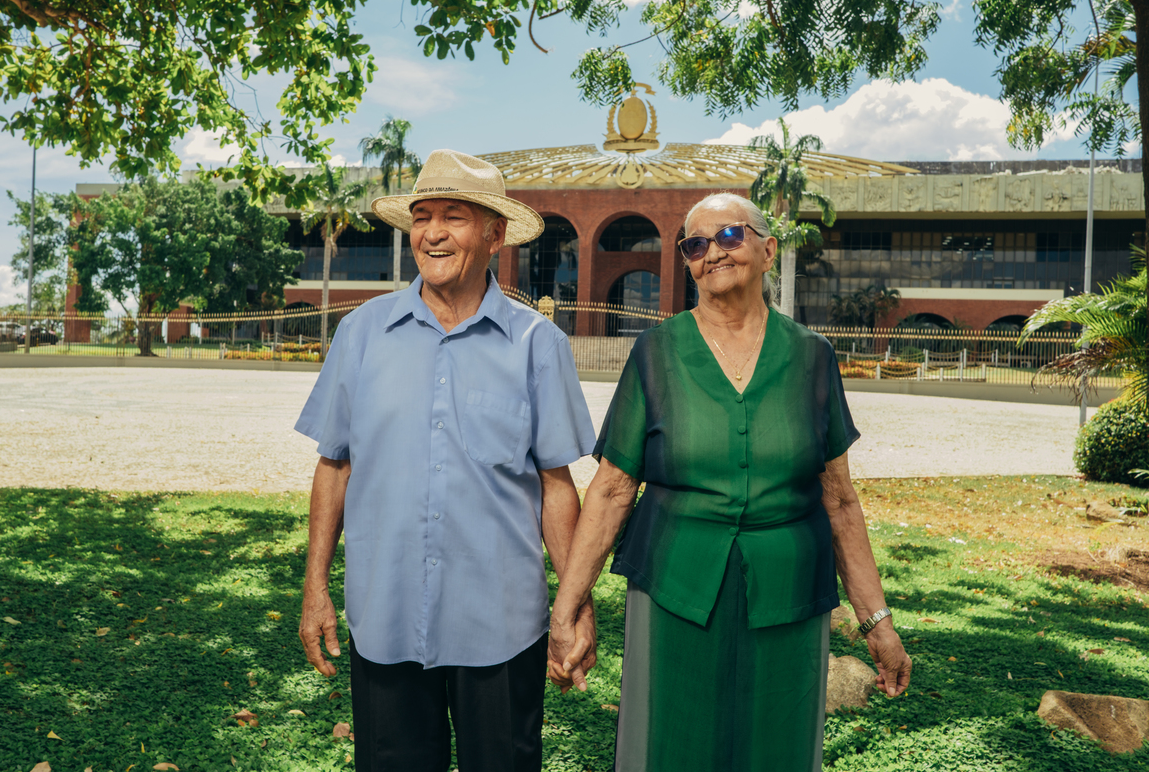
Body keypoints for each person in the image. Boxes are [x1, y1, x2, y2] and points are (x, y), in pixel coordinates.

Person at [547, 192, 912, 771]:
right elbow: (614, 488)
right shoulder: (656, 353)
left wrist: (877, 621)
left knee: (779, 748)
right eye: (695, 244)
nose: (712, 252)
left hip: (789, 591)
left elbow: (839, 500)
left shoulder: (813, 358)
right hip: (675, 585)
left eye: (729, 237)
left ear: (768, 250)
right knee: (668, 744)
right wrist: (567, 609)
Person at [295, 149, 597, 772]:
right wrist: (315, 587)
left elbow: (556, 485)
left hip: (502, 625)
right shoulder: (361, 332)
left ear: (495, 234)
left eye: (453, 216)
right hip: (385, 616)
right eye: (422, 216)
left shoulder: (539, 345)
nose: (432, 232)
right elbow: (335, 466)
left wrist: (574, 605)